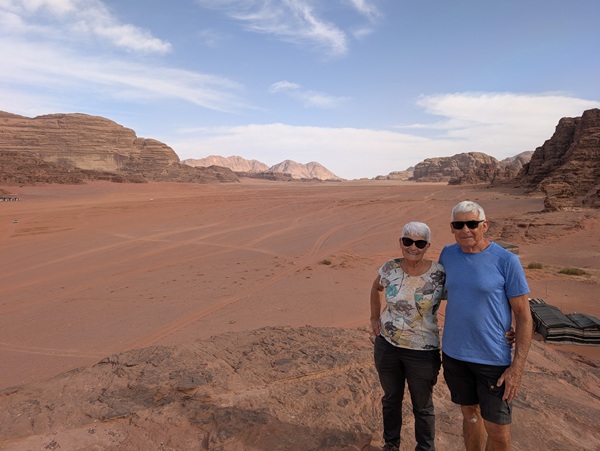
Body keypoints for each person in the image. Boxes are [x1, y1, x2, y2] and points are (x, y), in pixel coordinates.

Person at [439, 201, 533, 451]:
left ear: (485, 225)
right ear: (452, 227)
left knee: (498, 431)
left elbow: (524, 316)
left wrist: (517, 368)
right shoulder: (447, 255)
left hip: (492, 358)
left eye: (472, 224)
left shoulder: (506, 260)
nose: (465, 230)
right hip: (455, 355)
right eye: (459, 224)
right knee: (470, 414)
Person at [370, 222, 446, 451]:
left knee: (422, 406)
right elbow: (376, 288)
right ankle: (391, 443)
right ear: (401, 242)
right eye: (408, 241)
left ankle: (425, 448)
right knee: (391, 398)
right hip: (388, 346)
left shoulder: (439, 274)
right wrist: (374, 317)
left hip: (422, 352)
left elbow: (465, 298)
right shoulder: (389, 268)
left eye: (420, 243)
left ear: (428, 246)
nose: (413, 247)